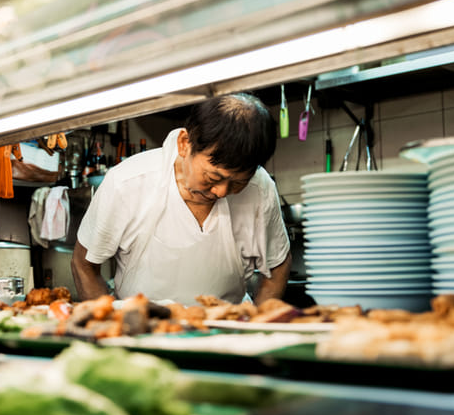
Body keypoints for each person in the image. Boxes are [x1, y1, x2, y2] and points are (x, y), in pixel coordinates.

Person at [71, 92, 291, 306]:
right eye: (213, 177)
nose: (222, 192)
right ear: (185, 143)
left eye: (238, 183)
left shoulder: (259, 187)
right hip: (143, 331)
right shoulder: (128, 182)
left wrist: (258, 325)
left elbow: (277, 265)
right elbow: (84, 264)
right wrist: (108, 326)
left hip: (226, 330)